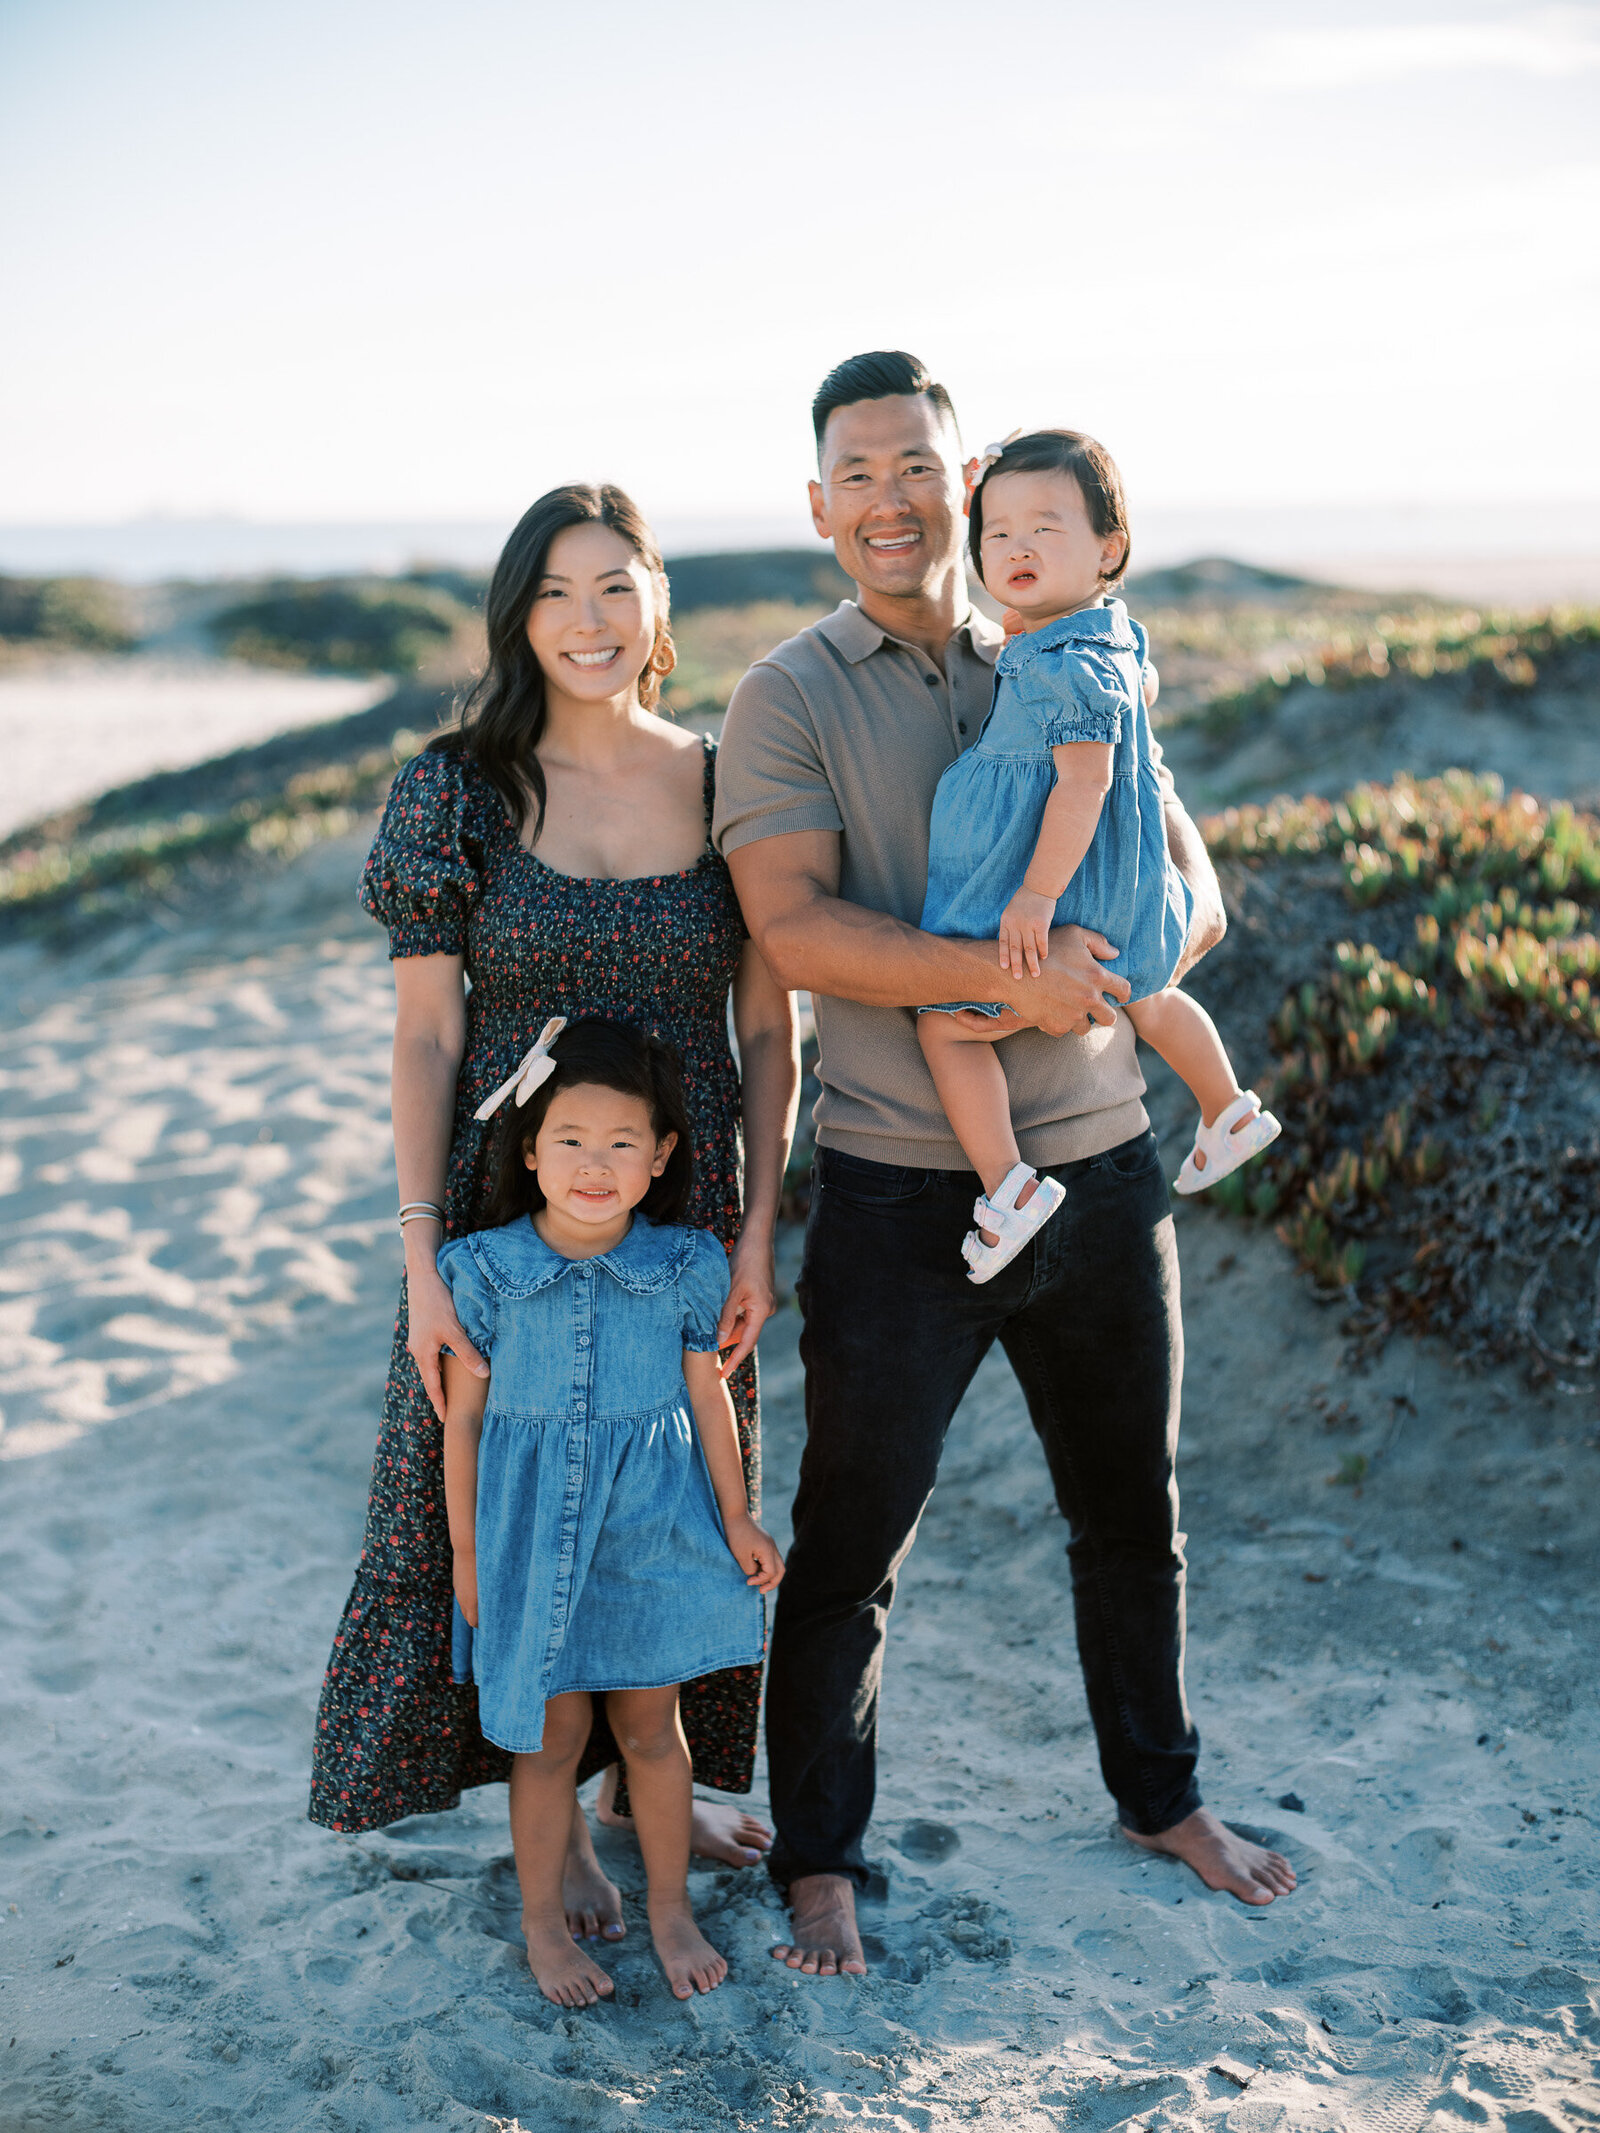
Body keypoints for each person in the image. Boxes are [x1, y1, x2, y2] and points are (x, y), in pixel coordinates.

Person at [714, 350, 1297, 1980]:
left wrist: (1125, 958)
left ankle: (1162, 1797)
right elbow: (796, 926)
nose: (896, 500)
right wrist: (1005, 983)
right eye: (861, 472)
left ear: (963, 488)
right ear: (820, 501)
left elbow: (1188, 873)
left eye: (923, 469)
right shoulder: (787, 695)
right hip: (903, 1186)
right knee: (852, 1547)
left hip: (1104, 1162)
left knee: (1132, 1517)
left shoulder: (1063, 643)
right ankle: (821, 1851)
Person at [309, 483, 799, 1946]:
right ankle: (551, 1791)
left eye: (614, 588)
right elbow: (423, 1037)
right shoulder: (456, 789)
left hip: (685, 1194)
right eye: (554, 594)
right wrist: (419, 1258)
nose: (586, 623)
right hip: (500, 1212)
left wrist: (762, 1225)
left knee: (658, 1489)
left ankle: (629, 1791)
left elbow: (773, 1030)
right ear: (517, 618)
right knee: (510, 1491)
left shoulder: (730, 780)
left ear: (657, 603)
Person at [439, 1017, 784, 2004]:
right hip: (526, 1542)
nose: (596, 1166)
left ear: (662, 1153)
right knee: (545, 1747)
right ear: (530, 1150)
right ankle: (544, 1927)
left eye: (623, 1144)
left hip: (652, 1537)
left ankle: (670, 1908)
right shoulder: (486, 1271)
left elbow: (711, 1395)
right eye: (572, 1142)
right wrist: (468, 1557)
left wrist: (738, 1518)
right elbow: (462, 1426)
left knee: (650, 1734)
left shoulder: (682, 1265)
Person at [917, 427, 1280, 1281]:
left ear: (1110, 547)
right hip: (1121, 892)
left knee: (947, 1029)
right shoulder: (1106, 636)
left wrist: (1036, 897)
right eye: (996, 533)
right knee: (1150, 993)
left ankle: (1008, 1185)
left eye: (1047, 527)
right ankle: (1228, 1107)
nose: (1017, 546)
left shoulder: (1061, 663)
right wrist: (1001, 495)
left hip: (1067, 894)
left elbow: (1083, 784)